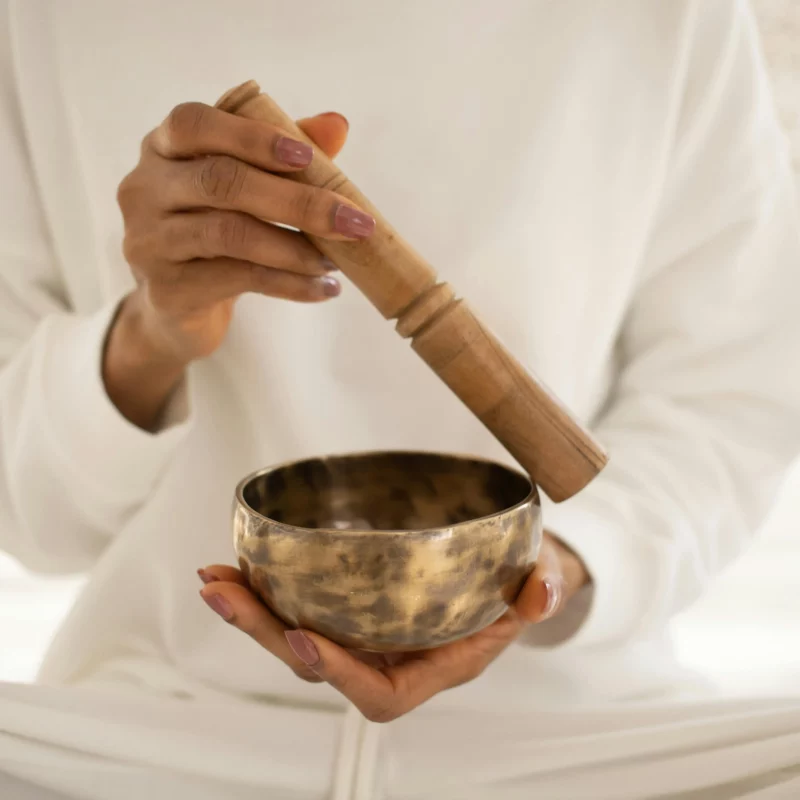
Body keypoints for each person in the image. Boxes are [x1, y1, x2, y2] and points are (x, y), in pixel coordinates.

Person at [1, 0, 799, 797]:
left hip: (577, 732)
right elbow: (35, 517)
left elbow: (725, 405)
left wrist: (563, 565)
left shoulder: (673, 16)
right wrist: (149, 334)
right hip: (157, 726)